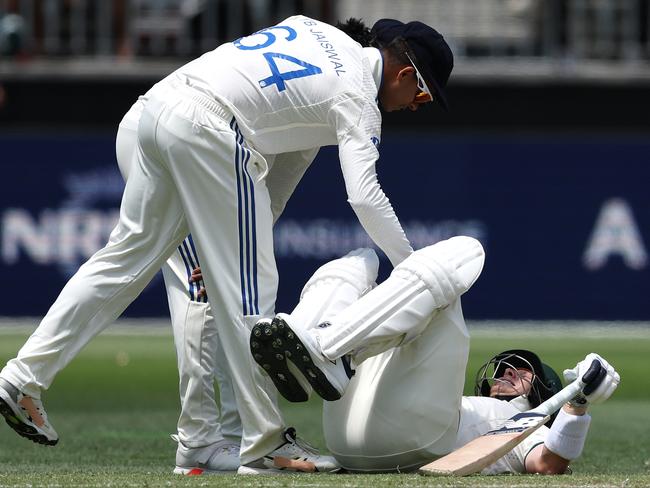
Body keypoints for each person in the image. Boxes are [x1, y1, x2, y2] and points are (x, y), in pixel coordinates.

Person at [0, 15, 454, 475]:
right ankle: (265, 443)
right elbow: (364, 195)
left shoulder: (314, 30)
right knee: (252, 291)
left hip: (158, 111)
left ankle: (22, 377)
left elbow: (274, 188)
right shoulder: (359, 96)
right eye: (422, 95)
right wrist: (413, 270)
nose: (415, 106)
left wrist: (226, 243)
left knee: (122, 261)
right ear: (404, 74)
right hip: (210, 129)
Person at [250, 237, 620, 473]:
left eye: (522, 373)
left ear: (543, 395)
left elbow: (549, 463)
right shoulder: (456, 401)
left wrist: (578, 403)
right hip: (348, 444)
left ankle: (326, 351)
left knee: (464, 255)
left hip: (413, 441)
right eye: (508, 368)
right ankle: (316, 349)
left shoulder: (524, 426)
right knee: (359, 261)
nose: (507, 371)